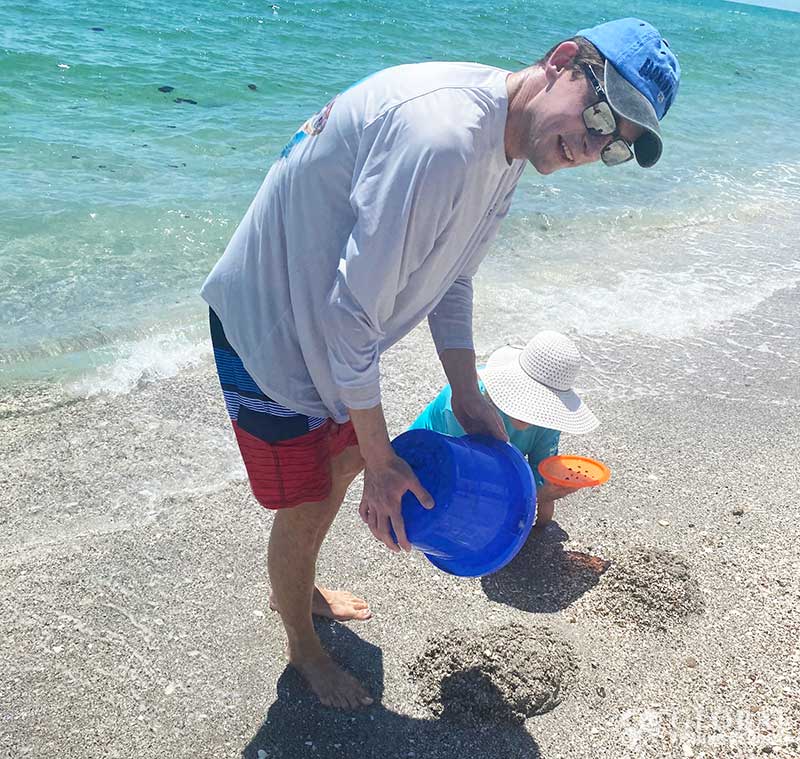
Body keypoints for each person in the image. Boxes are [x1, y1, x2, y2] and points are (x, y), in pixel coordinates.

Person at [200, 17, 681, 709]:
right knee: (310, 499)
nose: (594, 145)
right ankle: (301, 645)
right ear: (563, 60)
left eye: (615, 146)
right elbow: (350, 314)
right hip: (272, 335)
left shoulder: (510, 149)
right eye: (603, 114)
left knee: (338, 474)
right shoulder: (445, 140)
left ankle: (300, 591)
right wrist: (380, 452)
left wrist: (466, 389)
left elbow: (452, 277)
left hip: (329, 335)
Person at [410, 331, 599, 526]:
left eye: (541, 405)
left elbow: (541, 474)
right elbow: (470, 482)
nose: (531, 413)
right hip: (426, 460)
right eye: (526, 398)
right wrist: (533, 497)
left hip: (490, 463)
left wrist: (546, 498)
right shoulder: (465, 404)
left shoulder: (547, 422)